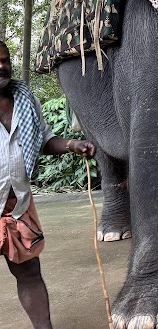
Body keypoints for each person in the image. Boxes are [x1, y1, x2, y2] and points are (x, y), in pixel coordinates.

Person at [0, 40, 95, 329]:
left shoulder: (26, 100)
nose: (2, 66)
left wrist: (70, 144)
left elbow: (43, 139)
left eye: (5, 60)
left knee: (29, 272)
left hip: (18, 205)